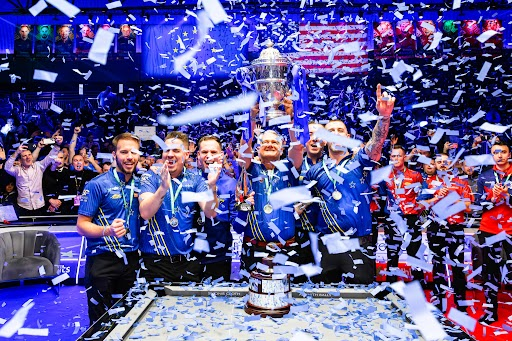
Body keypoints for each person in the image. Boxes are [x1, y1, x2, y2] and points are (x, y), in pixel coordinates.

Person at [304, 84, 394, 284]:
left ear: (347, 137)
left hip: (358, 243)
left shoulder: (360, 161)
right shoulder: (313, 171)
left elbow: (376, 144)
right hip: (326, 244)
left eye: (340, 131)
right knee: (324, 300)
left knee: (361, 298)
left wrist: (384, 117)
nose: (335, 134)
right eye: (331, 131)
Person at [76, 133, 141, 327]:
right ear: (114, 155)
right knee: (101, 323)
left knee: (130, 319)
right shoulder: (97, 184)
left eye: (134, 152)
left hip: (132, 260)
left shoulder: (141, 183)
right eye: (124, 152)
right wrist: (108, 231)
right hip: (103, 260)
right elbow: (81, 225)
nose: (130, 156)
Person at [138, 131, 220, 285]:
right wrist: (163, 188)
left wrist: (212, 185)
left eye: (176, 150)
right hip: (155, 262)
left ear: (186, 155)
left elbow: (210, 212)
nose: (170, 154)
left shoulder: (196, 180)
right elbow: (145, 213)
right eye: (166, 150)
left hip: (188, 263)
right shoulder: (150, 177)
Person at [235, 97, 303, 274]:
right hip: (254, 248)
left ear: (282, 150)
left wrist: (290, 119)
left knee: (286, 295)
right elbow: (244, 147)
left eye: (275, 142)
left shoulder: (289, 168)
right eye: (265, 142)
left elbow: (297, 148)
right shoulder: (251, 168)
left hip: (287, 248)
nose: (270, 144)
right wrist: (251, 117)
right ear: (258, 149)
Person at [423, 153, 472, 313]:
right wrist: (436, 198)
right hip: (435, 228)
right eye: (439, 162)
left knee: (457, 266)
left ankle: (461, 303)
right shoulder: (428, 182)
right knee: (437, 266)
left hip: (455, 228)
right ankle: (439, 301)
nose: (443, 164)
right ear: (435, 164)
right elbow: (421, 205)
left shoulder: (461, 182)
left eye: (446, 162)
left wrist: (453, 198)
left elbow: (469, 208)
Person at [476, 141, 512, 324]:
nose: (500, 155)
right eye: (496, 152)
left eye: (503, 152)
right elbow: (477, 206)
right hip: (489, 230)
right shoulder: (484, 177)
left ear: (509, 154)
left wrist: (507, 196)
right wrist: (492, 197)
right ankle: (491, 312)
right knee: (490, 272)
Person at [195, 135, 237, 281]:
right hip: (188, 257)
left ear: (221, 155)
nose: (209, 156)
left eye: (213, 152)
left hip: (218, 257)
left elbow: (237, 225)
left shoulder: (231, 184)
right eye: (205, 152)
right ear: (198, 155)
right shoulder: (189, 180)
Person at [384, 145, 426, 284]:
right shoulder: (385, 175)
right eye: (393, 156)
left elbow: (424, 195)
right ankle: (391, 285)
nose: (396, 158)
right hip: (393, 218)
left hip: (411, 217)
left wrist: (418, 208)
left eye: (398, 156)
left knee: (414, 252)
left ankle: (418, 284)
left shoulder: (415, 175)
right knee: (392, 253)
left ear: (404, 157)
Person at [4, 136, 63, 217]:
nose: (28, 157)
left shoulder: (39, 166)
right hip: (23, 207)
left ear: (32, 157)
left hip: (39, 206)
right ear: (20, 160)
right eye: (24, 156)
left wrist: (57, 145)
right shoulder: (17, 170)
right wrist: (17, 152)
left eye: (29, 155)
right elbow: (7, 167)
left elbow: (50, 156)